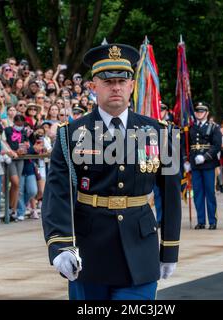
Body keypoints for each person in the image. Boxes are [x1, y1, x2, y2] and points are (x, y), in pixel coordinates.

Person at [42, 43, 181, 300]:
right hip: (89, 254)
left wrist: (170, 248)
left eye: (121, 80)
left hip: (140, 250)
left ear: (131, 85)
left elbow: (170, 194)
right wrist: (60, 246)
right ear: (93, 86)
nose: (115, 87)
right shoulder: (70, 135)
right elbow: (58, 194)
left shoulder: (162, 133)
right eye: (107, 81)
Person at [183, 103, 222, 230]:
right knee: (198, 194)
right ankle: (201, 220)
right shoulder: (191, 128)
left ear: (207, 113)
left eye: (202, 111)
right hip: (195, 164)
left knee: (210, 193)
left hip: (208, 164)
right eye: (197, 111)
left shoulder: (214, 127)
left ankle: (212, 221)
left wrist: (205, 157)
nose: (199, 113)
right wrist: (186, 161)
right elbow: (185, 146)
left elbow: (216, 145)